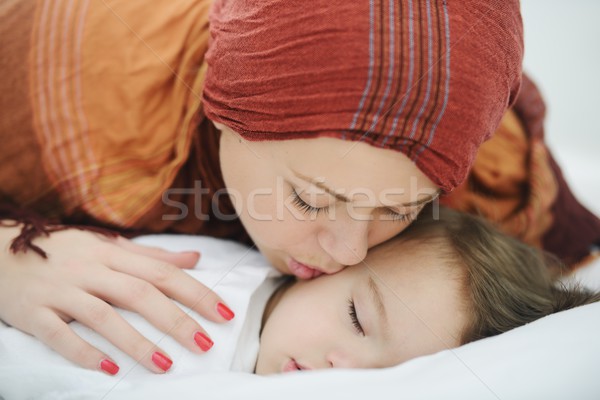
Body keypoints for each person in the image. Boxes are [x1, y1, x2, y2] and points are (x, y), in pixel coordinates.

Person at [1, 0, 599, 375]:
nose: (348, 253)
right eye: (311, 198)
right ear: (224, 109)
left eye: (404, 210)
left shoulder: (484, 169)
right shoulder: (53, 72)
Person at [1, 207, 597, 395]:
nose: (346, 371)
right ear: (321, 268)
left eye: (386, 377)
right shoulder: (206, 265)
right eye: (358, 319)